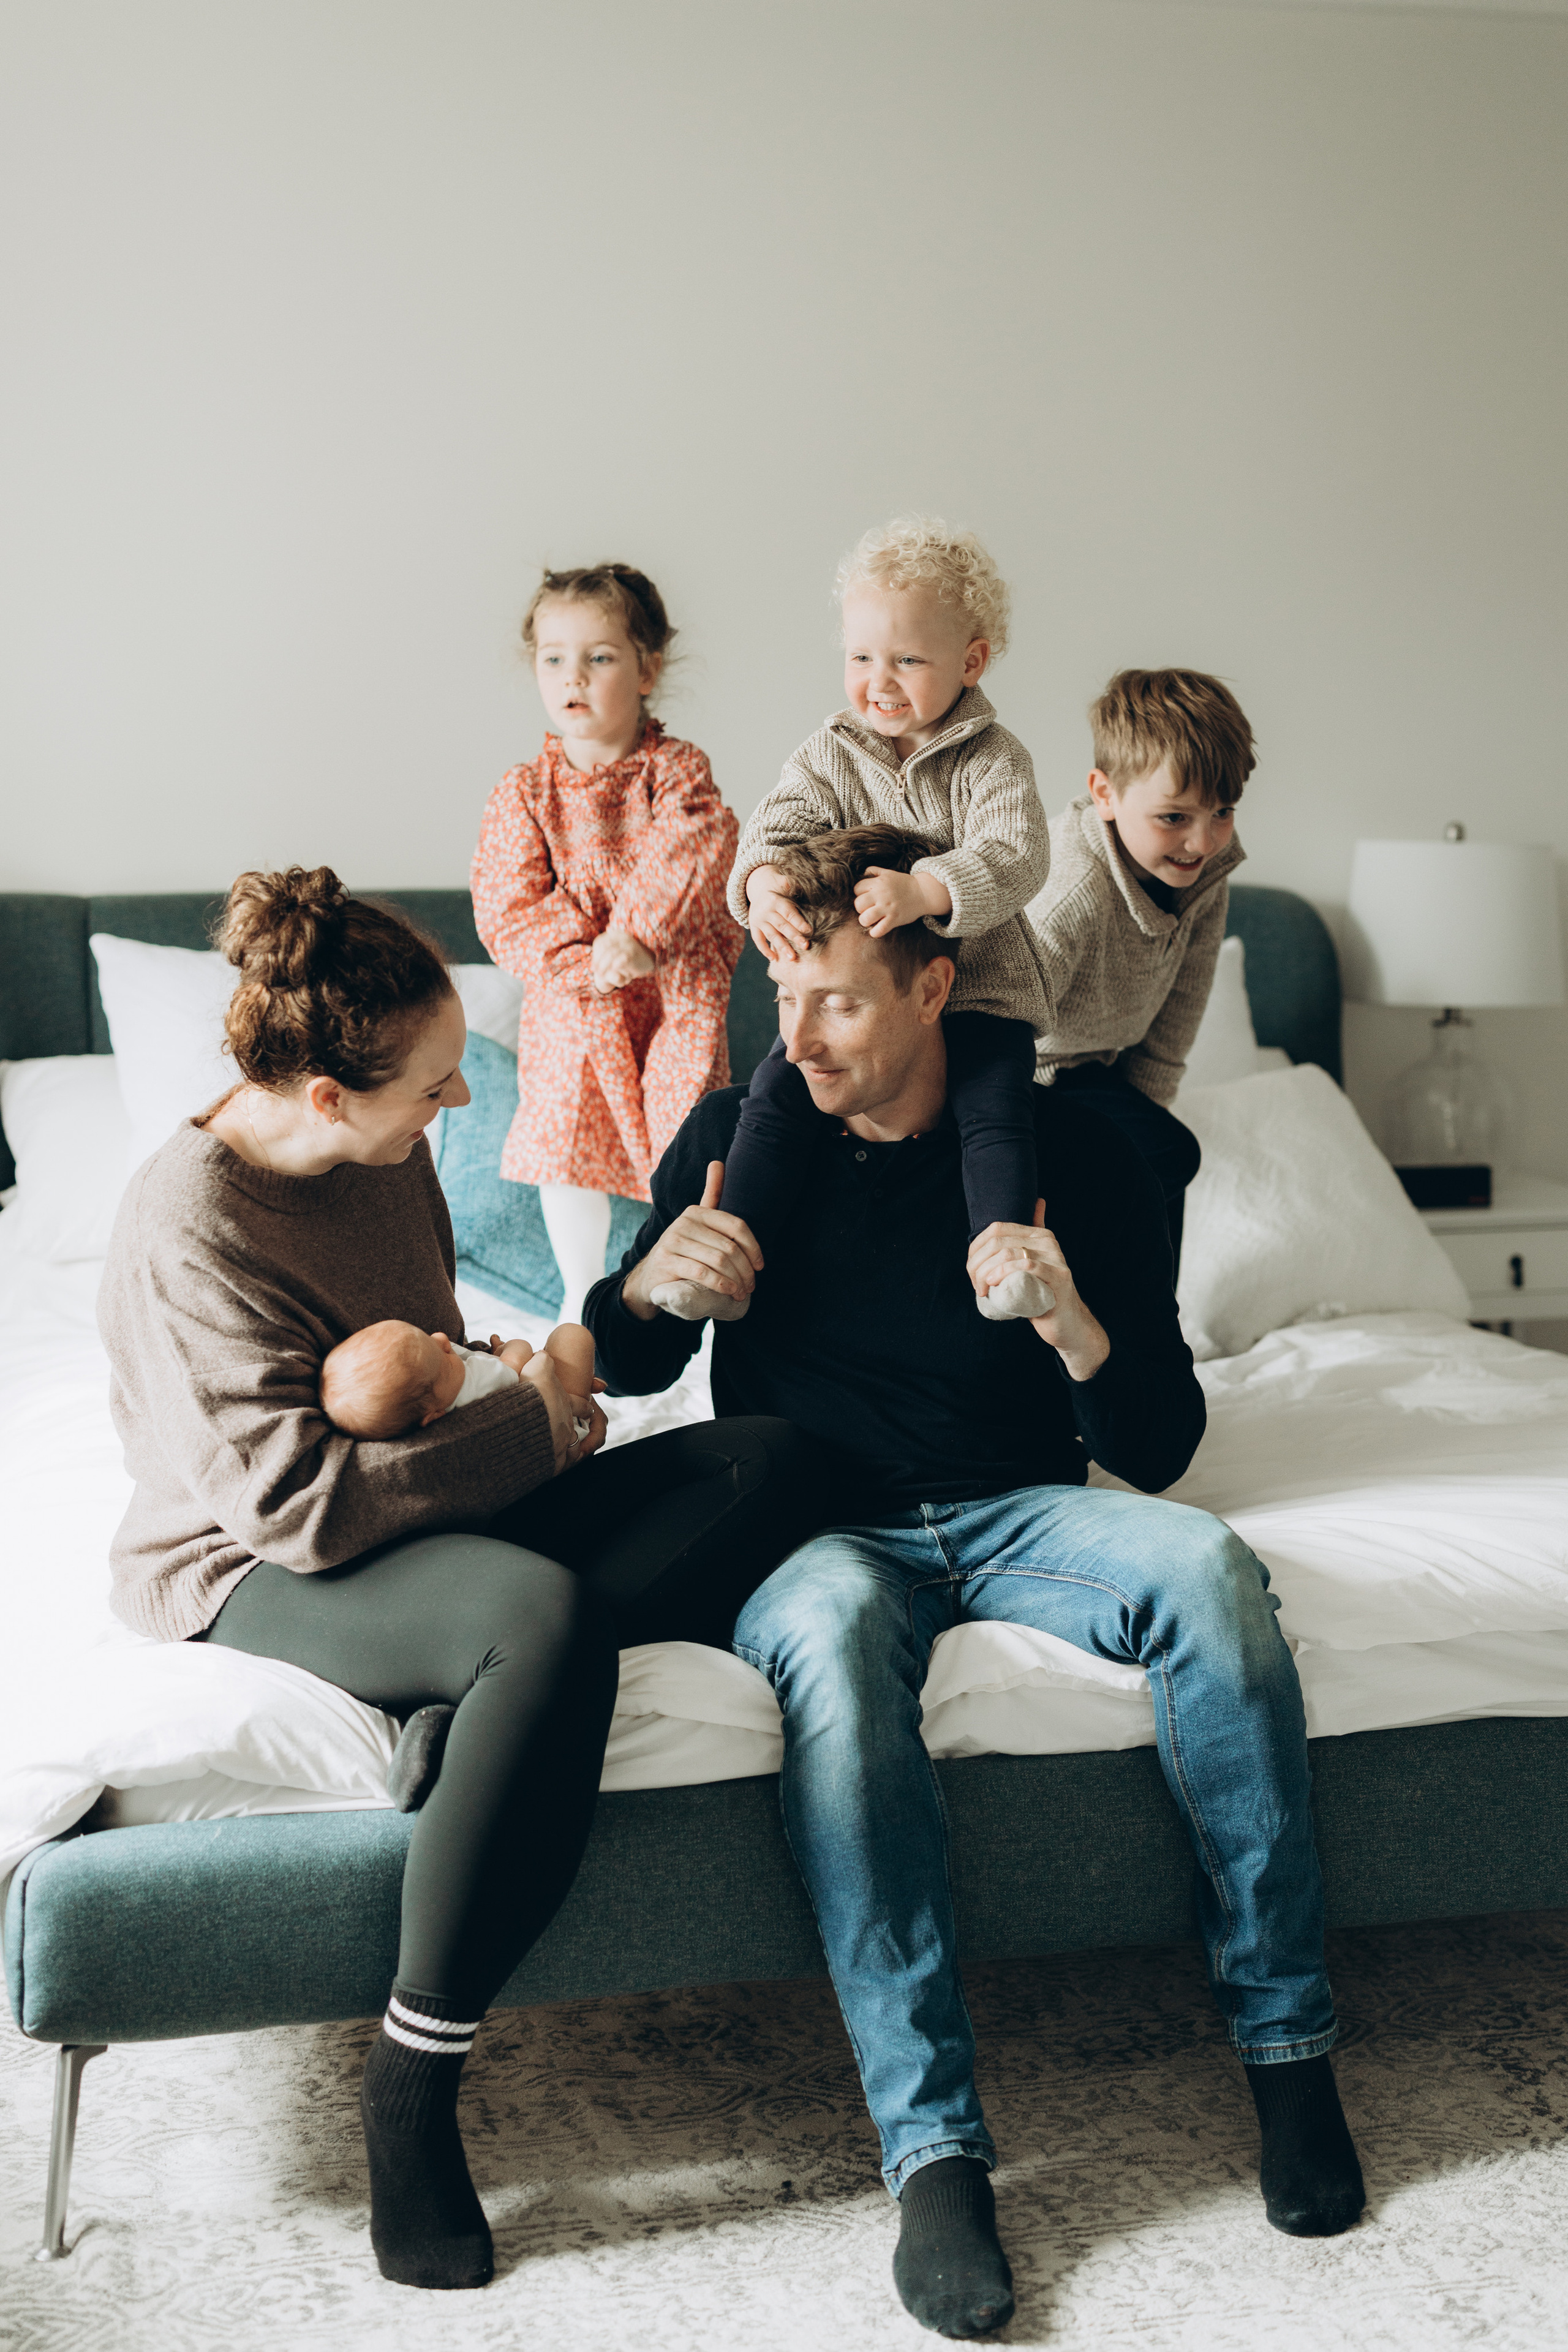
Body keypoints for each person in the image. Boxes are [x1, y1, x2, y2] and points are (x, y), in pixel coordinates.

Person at [584, 827, 1365, 2342]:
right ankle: (933, 2150)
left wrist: (1073, 1319)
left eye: (839, 1003)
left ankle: (1286, 2052)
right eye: (780, 992)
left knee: (1208, 1572)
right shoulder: (737, 1131)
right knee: (824, 1648)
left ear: (934, 983)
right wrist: (645, 1289)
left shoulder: (1065, 1149)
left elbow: (1157, 1444)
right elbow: (623, 1364)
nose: (794, 1036)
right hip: (824, 1526)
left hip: (1023, 1509)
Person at [96, 866, 816, 2296]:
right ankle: (413, 2082)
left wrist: (509, 1368)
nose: (458, 1109)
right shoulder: (190, 1226)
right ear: (322, 1093)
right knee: (540, 1617)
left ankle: (477, 1713)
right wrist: (537, 1417)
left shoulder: (383, 1153)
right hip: (249, 1556)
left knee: (770, 1458)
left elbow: (424, 1357)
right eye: (434, 1088)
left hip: (415, 1515)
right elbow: (304, 1507)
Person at [690, 516, 1054, 1330]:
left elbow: (1021, 854)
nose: (879, 681)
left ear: (971, 661)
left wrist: (930, 888)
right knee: (774, 1095)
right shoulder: (831, 752)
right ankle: (728, 1253)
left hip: (982, 992)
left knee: (996, 1112)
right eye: (862, 658)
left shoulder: (992, 759)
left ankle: (1006, 1261)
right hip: (865, 1004)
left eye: (908, 660)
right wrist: (767, 885)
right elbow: (776, 826)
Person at [471, 562, 744, 1320]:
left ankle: (682, 1268)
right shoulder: (524, 792)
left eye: (600, 657)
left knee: (686, 1124)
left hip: (670, 989)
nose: (575, 677)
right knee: (564, 1129)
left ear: (647, 668)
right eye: (554, 658)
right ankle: (579, 1291)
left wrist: (636, 934)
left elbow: (698, 846)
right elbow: (508, 902)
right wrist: (586, 961)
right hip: (578, 996)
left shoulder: (675, 770)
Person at [1029, 668, 1256, 1271]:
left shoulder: (1206, 875)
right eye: (1174, 817)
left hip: (1087, 1079)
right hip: (1011, 1076)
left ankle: (1148, 1336)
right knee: (1161, 1153)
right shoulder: (1071, 886)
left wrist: (1133, 1142)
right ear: (1104, 793)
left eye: (1222, 812)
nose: (1201, 842)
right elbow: (993, 1022)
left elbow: (1176, 1020)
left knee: (1158, 1156)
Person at [320, 1317, 599, 1440]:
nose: (442, 1338)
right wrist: (506, 1350)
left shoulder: (429, 1397)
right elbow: (521, 1356)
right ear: (434, 1417)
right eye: (443, 1355)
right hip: (565, 1427)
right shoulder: (475, 1383)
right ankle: (577, 1401)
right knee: (573, 1335)